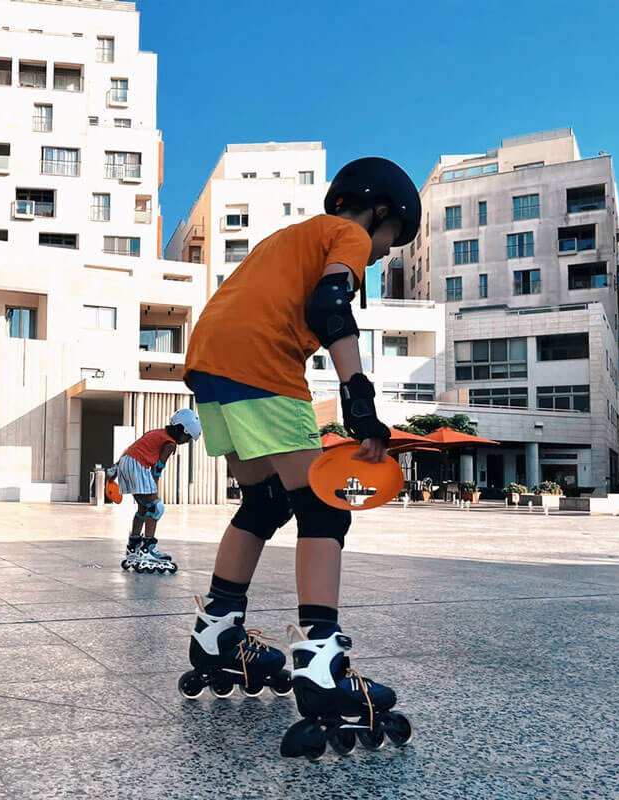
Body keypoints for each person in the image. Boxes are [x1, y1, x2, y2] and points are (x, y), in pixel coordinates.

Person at [177, 158, 420, 756]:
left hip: (208, 362)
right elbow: (331, 305)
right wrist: (358, 400)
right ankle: (320, 661)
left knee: (262, 503)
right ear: (381, 211)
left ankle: (217, 634)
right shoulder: (352, 233)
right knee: (324, 509)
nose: (383, 255)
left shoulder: (287, 237)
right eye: (392, 243)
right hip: (262, 364)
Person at [113, 409, 202, 574]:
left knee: (143, 508)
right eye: (188, 437)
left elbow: (132, 449)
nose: (187, 441)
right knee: (155, 507)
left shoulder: (157, 432)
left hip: (126, 463)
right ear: (183, 430)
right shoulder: (170, 443)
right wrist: (154, 487)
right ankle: (147, 549)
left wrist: (115, 470)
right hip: (137, 465)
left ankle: (133, 546)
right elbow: (158, 468)